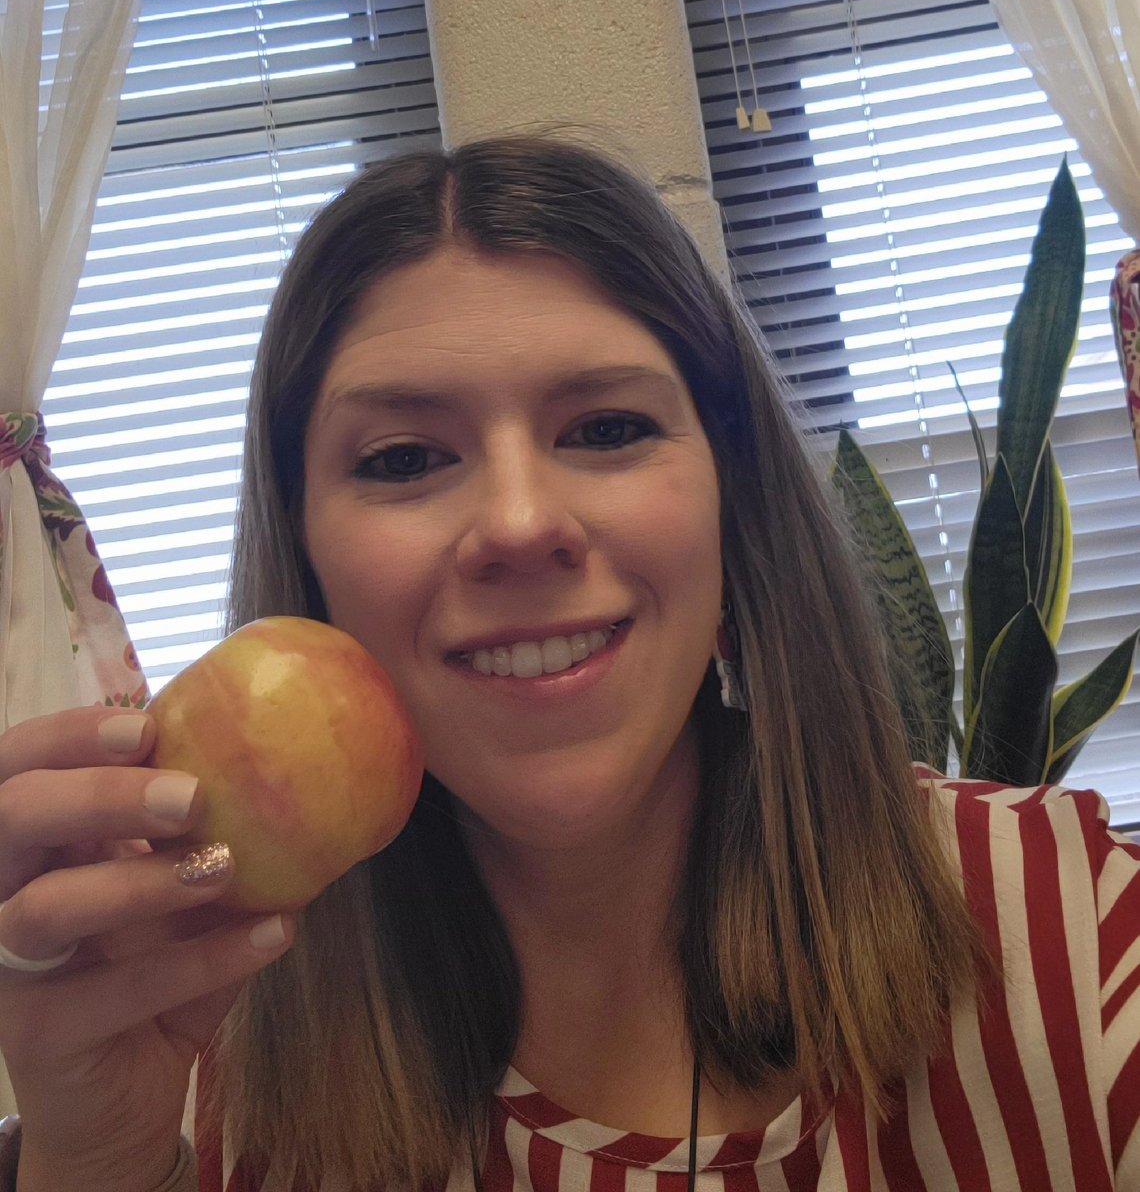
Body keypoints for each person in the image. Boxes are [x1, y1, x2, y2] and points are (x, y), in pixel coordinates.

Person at [0, 134, 1136, 1192]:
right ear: (308, 561)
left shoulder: (1069, 937)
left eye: (605, 429)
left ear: (732, 505)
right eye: (403, 456)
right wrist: (99, 1165)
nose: (518, 521)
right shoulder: (206, 1065)